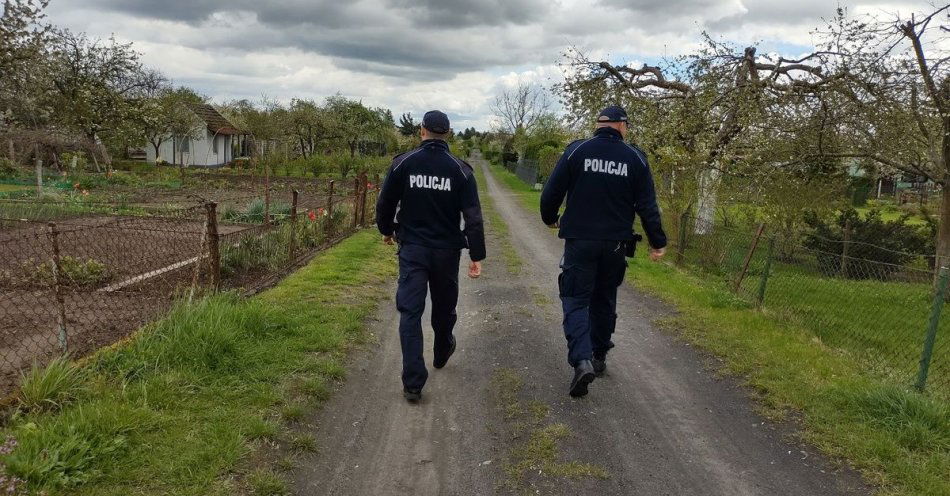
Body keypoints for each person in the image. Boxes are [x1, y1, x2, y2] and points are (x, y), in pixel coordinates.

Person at [539, 105, 667, 398]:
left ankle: (581, 360)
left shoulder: (576, 151)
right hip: (615, 245)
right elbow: (647, 205)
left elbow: (552, 192)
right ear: (622, 126)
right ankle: (598, 355)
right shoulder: (635, 158)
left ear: (598, 124)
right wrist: (657, 241)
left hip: (580, 242)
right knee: (604, 299)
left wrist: (550, 218)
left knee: (575, 298)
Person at [376, 110, 486, 403]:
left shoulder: (403, 164)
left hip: (413, 249)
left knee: (410, 311)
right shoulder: (460, 170)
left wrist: (386, 231)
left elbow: (385, 202)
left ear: (421, 131)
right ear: (448, 134)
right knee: (444, 306)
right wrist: (476, 255)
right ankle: (442, 347)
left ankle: (413, 382)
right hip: (447, 252)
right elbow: (473, 217)